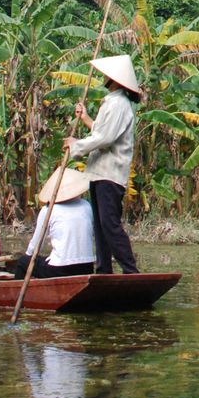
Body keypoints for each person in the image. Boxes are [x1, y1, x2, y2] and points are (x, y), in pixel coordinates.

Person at [65, 54, 141, 274]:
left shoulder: (119, 104)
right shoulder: (112, 102)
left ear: (115, 80)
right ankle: (104, 270)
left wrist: (76, 145)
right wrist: (86, 119)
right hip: (98, 173)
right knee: (99, 227)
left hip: (110, 174)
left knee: (109, 225)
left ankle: (130, 271)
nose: (104, 77)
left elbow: (105, 138)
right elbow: (101, 131)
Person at [12, 168, 96, 279]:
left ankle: (17, 294)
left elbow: (37, 244)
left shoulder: (49, 209)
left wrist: (28, 256)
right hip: (87, 266)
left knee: (23, 262)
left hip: (61, 269)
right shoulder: (87, 206)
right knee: (46, 259)